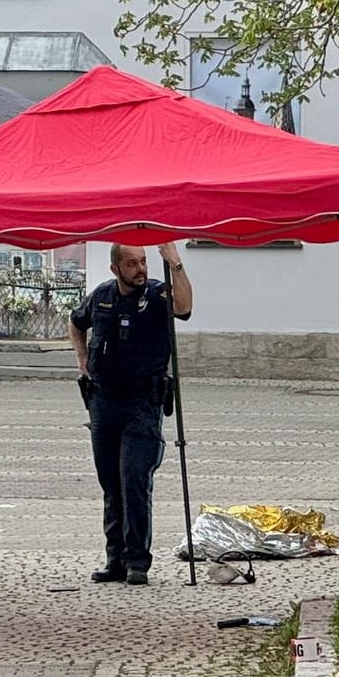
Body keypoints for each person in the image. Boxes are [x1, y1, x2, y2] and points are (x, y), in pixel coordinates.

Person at [68, 242, 194, 585]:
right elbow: (76, 322)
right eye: (132, 263)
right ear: (115, 269)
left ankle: (137, 560)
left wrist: (176, 263)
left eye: (143, 261)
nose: (140, 269)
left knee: (134, 481)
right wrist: (81, 359)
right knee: (110, 483)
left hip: (142, 405)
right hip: (104, 402)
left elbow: (184, 306)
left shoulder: (156, 294)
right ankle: (116, 560)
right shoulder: (102, 296)